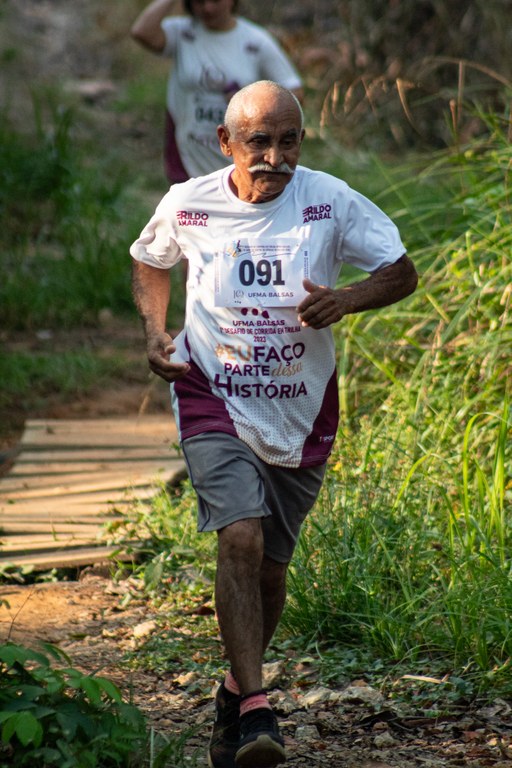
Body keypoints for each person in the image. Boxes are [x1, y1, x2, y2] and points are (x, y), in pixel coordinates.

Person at [130, 81, 418, 768]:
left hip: (301, 404)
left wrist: (347, 299)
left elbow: (402, 272)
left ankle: (234, 693)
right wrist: (154, 331)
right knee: (240, 537)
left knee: (271, 569)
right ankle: (260, 709)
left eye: (288, 141)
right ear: (225, 142)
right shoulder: (189, 203)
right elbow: (149, 259)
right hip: (212, 391)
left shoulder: (329, 200)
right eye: (259, 142)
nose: (275, 156)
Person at [131, 0, 304, 185]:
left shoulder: (255, 40)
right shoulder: (182, 32)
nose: (208, 8)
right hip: (187, 151)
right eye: (200, 1)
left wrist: (252, 102)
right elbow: (142, 32)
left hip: (239, 158)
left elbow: (295, 93)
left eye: (215, 0)